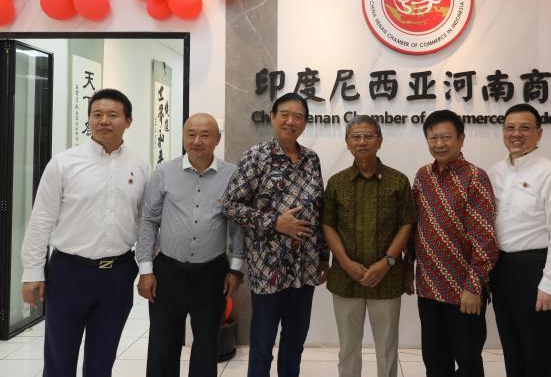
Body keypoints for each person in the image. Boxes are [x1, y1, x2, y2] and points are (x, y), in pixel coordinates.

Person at [20, 88, 149, 377]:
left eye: (113, 115)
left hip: (118, 274)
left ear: (128, 121)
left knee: (103, 358)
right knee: (59, 357)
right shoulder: (64, 163)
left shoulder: (140, 166)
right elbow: (41, 219)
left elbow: (144, 222)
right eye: (97, 114)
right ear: (89, 119)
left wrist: (146, 269)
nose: (104, 121)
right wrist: (32, 272)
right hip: (69, 273)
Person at [223, 92, 329, 377]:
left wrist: (323, 256)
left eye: (298, 116)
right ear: (272, 118)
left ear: (305, 122)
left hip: (305, 269)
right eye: (285, 115)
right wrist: (275, 223)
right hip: (268, 270)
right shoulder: (256, 156)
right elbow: (230, 205)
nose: (291, 121)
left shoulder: (311, 159)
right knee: (262, 345)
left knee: (294, 344)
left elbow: (319, 210)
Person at [136, 113, 245, 377]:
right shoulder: (164, 172)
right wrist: (146, 270)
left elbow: (238, 225)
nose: (197, 141)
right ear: (184, 137)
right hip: (168, 271)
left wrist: (235, 269)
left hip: (212, 273)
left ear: (217, 139)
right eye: (191, 134)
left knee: (207, 344)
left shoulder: (232, 175)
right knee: (163, 343)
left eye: (205, 135)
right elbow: (149, 220)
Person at [487, 103, 551, 377]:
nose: (516, 134)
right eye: (510, 128)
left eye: (525, 128)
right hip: (501, 270)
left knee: (540, 354)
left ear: (539, 133)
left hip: (535, 271)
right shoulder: (494, 173)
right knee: (512, 349)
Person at [406, 109, 498, 377]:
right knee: (435, 361)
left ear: (461, 139)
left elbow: (485, 239)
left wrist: (474, 286)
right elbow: (414, 228)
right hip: (428, 287)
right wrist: (408, 267)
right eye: (433, 138)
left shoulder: (475, 177)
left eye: (446, 137)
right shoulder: (423, 176)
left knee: (468, 362)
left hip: (464, 291)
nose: (439, 144)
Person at [322, 115, 415, 377]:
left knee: (387, 348)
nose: (362, 142)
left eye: (369, 136)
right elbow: (328, 225)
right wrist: (345, 263)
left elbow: (406, 224)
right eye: (356, 136)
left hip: (387, 278)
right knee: (348, 348)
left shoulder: (398, 181)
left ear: (380, 141)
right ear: (347, 142)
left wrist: (387, 263)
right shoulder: (336, 183)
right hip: (345, 279)